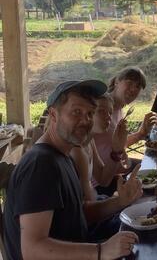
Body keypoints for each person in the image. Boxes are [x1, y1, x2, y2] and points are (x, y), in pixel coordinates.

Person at [4, 80, 143, 260]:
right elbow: (32, 249)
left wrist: (119, 202)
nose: (85, 120)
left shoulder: (63, 155)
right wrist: (101, 251)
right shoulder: (40, 165)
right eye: (76, 112)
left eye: (90, 113)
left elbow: (78, 213)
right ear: (53, 114)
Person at [93, 67, 155, 187]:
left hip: (115, 171)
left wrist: (141, 133)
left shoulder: (119, 109)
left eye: (138, 86)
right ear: (117, 81)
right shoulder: (100, 108)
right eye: (129, 83)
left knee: (154, 169)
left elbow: (116, 143)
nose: (133, 89)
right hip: (99, 183)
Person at [70, 93, 128, 201]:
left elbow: (103, 180)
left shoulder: (89, 141)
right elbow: (87, 207)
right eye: (101, 111)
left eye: (110, 112)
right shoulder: (76, 150)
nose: (109, 117)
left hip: (96, 198)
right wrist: (120, 201)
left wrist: (117, 150)